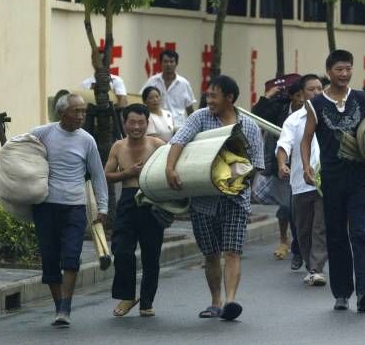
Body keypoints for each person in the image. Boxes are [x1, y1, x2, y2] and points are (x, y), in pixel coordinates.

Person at [301, 49, 365, 313]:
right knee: (336, 237)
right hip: (331, 180)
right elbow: (307, 138)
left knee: (359, 234)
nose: (344, 74)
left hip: (359, 179)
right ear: (329, 71)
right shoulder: (316, 104)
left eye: (348, 69)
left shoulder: (363, 98)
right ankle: (342, 293)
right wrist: (306, 165)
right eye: (339, 70)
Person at [166, 75, 263, 321]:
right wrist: (170, 168)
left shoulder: (249, 126)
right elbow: (179, 140)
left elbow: (257, 164)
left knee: (232, 251)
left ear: (229, 98)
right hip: (202, 200)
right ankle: (215, 302)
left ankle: (231, 301)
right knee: (210, 253)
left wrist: (245, 188)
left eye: (214, 96)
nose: (209, 100)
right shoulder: (200, 118)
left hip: (236, 200)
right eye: (207, 95)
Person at [30, 93, 108, 328]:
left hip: (74, 207)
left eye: (84, 111)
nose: (82, 116)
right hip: (45, 206)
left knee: (71, 258)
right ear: (62, 112)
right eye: (77, 111)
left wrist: (103, 207)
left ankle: (65, 306)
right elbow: (20, 151)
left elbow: (97, 175)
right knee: (51, 260)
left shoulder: (87, 140)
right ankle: (59, 308)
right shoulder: (42, 133)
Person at [105, 104, 166, 317]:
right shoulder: (118, 147)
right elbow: (107, 175)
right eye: (132, 122)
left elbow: (172, 169)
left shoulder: (158, 144)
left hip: (152, 202)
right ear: (125, 123)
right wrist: (128, 173)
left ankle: (147, 302)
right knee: (121, 250)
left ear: (147, 123)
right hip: (128, 201)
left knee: (151, 255)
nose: (137, 127)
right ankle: (127, 296)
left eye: (141, 122)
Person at [276, 74, 327, 286]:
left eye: (319, 89)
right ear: (302, 94)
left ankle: (316, 268)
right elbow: (283, 145)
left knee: (320, 227)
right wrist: (282, 164)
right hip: (300, 183)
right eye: (311, 90)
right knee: (303, 229)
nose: (316, 93)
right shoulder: (293, 120)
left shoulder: (330, 115)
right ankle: (310, 265)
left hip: (325, 183)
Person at [252, 81, 303, 268]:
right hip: (283, 167)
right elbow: (257, 116)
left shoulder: (314, 111)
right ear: (292, 96)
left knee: (304, 209)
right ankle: (285, 241)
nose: (302, 100)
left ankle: (304, 245)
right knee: (287, 206)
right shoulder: (280, 110)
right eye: (298, 96)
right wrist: (267, 96)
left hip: (307, 167)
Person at [141, 49, 196, 129]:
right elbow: (142, 101)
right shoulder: (152, 81)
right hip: (157, 126)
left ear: (176, 64)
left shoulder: (184, 83)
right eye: (165, 61)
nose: (168, 64)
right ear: (161, 63)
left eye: (171, 61)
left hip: (179, 126)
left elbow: (190, 109)